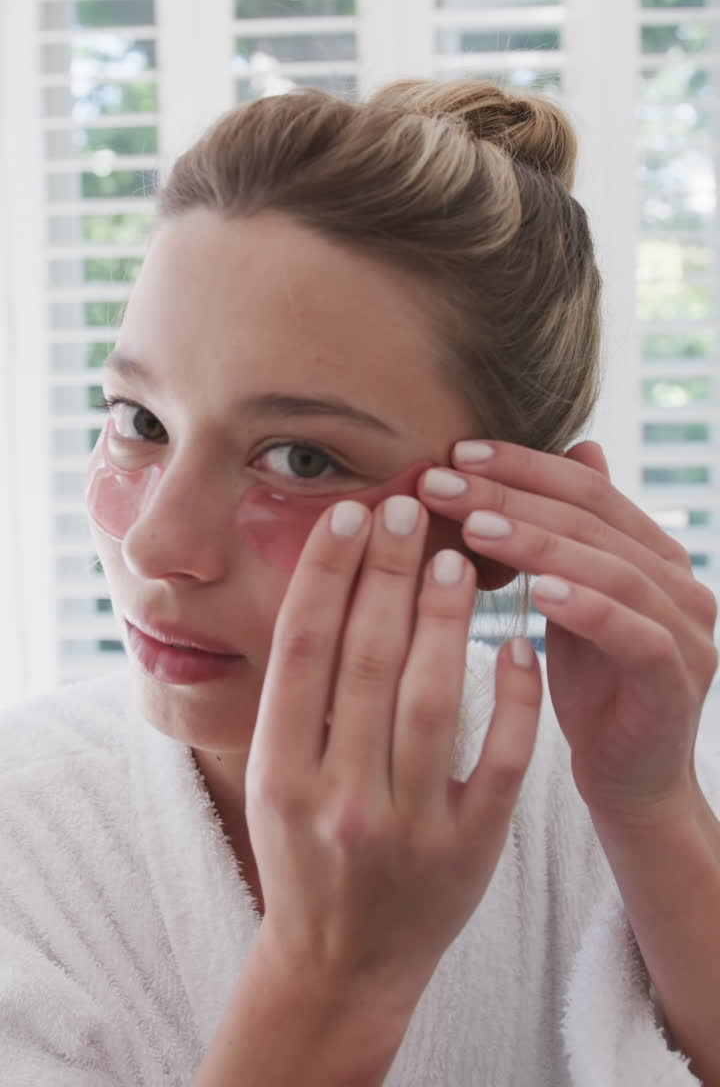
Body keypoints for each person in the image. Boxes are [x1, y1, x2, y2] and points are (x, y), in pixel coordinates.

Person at [1, 80, 719, 1087]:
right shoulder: (21, 840)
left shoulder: (609, 794)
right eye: (139, 420)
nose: (159, 541)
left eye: (298, 457)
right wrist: (332, 976)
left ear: (497, 523)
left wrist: (655, 811)